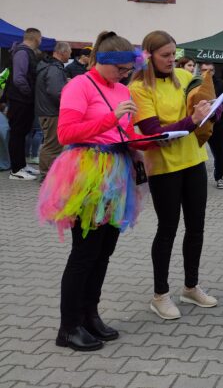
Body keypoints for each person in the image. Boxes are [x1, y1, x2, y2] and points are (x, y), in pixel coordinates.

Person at [37, 31, 148, 351]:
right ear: (102, 62)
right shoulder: (79, 86)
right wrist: (110, 120)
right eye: (122, 69)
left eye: (129, 70)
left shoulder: (119, 89)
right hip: (87, 174)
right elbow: (67, 132)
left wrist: (138, 144)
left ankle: (90, 316)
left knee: (104, 251)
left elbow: (123, 131)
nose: (126, 75)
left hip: (116, 174)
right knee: (84, 253)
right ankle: (68, 327)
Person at [130, 30, 216, 320]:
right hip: (164, 166)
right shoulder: (140, 88)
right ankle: (160, 295)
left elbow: (198, 106)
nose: (172, 60)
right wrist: (191, 121)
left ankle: (191, 286)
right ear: (149, 56)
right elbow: (154, 133)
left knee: (196, 227)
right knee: (167, 229)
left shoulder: (182, 75)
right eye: (165, 55)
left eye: (174, 54)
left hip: (193, 160)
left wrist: (209, 110)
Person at [7, 27, 43, 180]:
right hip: (20, 100)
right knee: (17, 133)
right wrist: (29, 93)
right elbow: (19, 78)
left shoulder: (24, 52)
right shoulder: (22, 52)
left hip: (23, 100)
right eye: (40, 38)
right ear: (36, 38)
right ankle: (16, 170)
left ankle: (22, 165)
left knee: (22, 133)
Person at [35, 41, 72, 177]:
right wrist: (67, 105)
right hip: (51, 112)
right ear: (62, 53)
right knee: (52, 145)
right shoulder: (54, 68)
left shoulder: (48, 66)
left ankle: (47, 173)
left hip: (46, 110)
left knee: (50, 143)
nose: (70, 55)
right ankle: (47, 174)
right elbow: (55, 91)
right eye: (69, 53)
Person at [199, 62, 223, 190]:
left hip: (216, 124)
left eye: (210, 70)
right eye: (204, 70)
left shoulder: (219, 83)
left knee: (219, 153)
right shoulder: (196, 82)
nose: (207, 72)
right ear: (200, 71)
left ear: (214, 71)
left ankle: (219, 177)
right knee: (196, 153)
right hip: (199, 124)